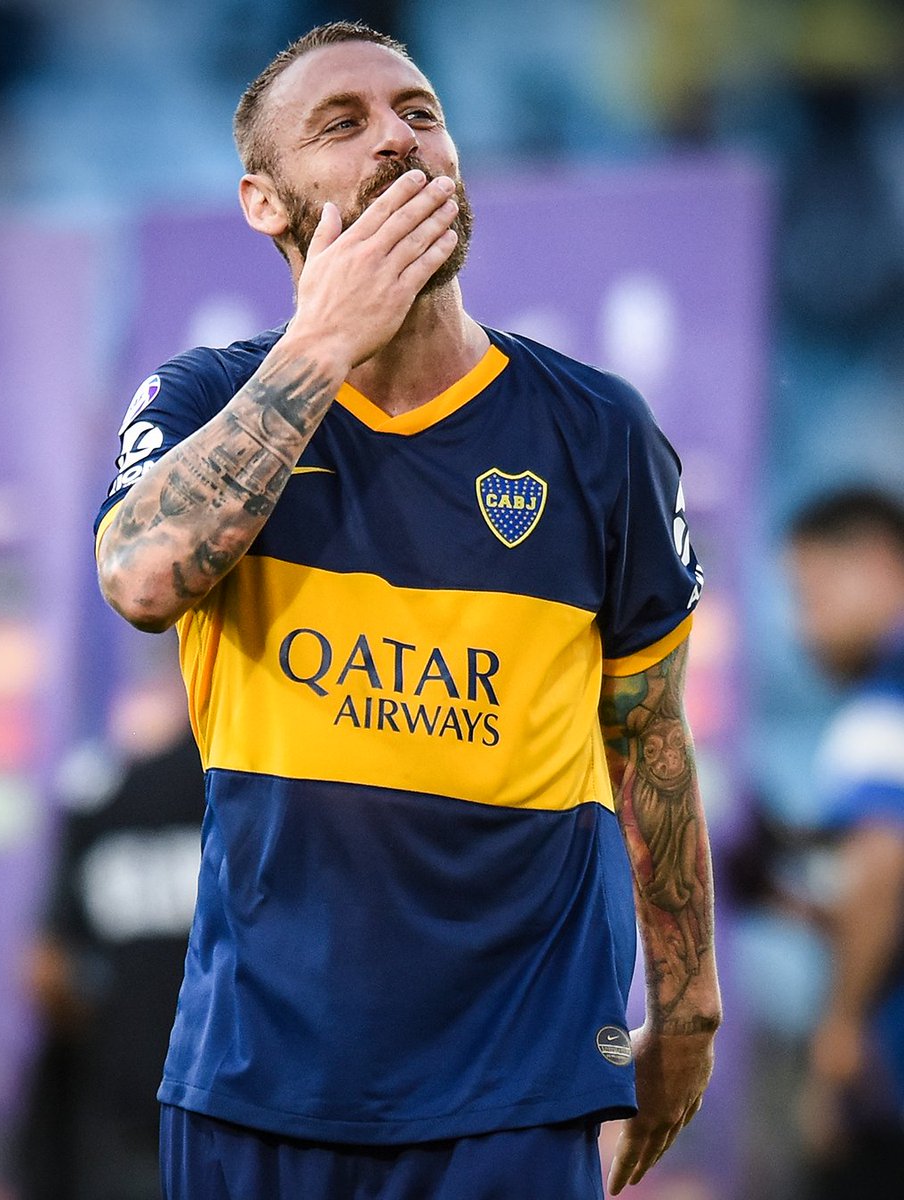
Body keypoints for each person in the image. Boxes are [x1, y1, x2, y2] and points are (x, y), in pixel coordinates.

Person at [94, 21, 721, 1200]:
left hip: (517, 1084)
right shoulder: (206, 397)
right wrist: (326, 339)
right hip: (257, 1078)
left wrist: (687, 1010)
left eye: (420, 113)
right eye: (344, 124)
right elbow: (141, 578)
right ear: (264, 202)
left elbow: (648, 733)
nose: (398, 137)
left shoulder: (598, 430)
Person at [13, 674, 205, 1200]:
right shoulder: (251, 799)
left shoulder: (100, 796)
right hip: (231, 1095)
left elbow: (46, 973)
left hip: (125, 1095)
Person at [784, 486, 904, 1199]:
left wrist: (840, 1031)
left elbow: (881, 864)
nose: (804, 627)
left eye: (813, 594)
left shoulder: (885, 695)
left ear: (880, 561)